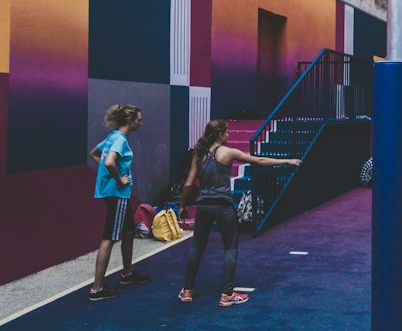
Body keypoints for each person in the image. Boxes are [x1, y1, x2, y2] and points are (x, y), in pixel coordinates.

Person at [178, 119, 300, 306]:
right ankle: (227, 294)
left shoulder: (198, 154)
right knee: (230, 248)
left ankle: (187, 291)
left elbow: (188, 184)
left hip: (204, 206)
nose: (228, 136)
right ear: (220, 134)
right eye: (226, 133)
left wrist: (183, 206)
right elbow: (259, 160)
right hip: (223, 207)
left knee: (197, 248)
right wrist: (287, 160)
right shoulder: (228, 152)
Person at [88, 103, 151, 302]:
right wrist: (118, 178)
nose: (141, 122)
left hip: (114, 194)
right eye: (139, 119)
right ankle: (97, 288)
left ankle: (127, 273)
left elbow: (95, 154)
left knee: (129, 230)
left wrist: (107, 173)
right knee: (110, 237)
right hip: (117, 194)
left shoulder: (112, 137)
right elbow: (108, 161)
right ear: (130, 121)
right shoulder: (120, 140)